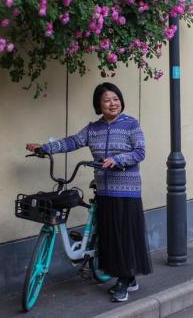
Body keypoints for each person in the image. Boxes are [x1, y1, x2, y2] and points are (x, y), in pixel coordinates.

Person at [26, 82, 152, 303]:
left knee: (124, 235)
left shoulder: (131, 124)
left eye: (115, 98)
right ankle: (127, 277)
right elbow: (73, 141)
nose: (112, 103)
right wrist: (45, 148)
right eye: (107, 100)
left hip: (126, 189)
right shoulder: (93, 129)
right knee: (110, 236)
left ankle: (124, 280)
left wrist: (117, 159)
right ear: (98, 105)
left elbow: (140, 151)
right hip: (104, 189)